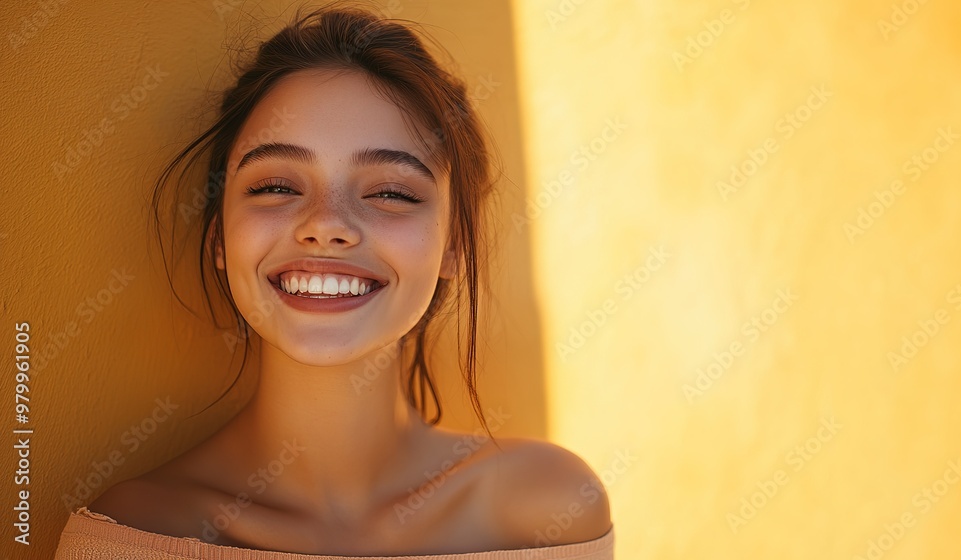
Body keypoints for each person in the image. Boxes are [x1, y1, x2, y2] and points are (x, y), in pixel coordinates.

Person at [54, 5, 613, 558]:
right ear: (218, 238)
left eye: (391, 193)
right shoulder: (129, 538)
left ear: (455, 246)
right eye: (275, 185)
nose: (325, 224)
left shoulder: (550, 511)